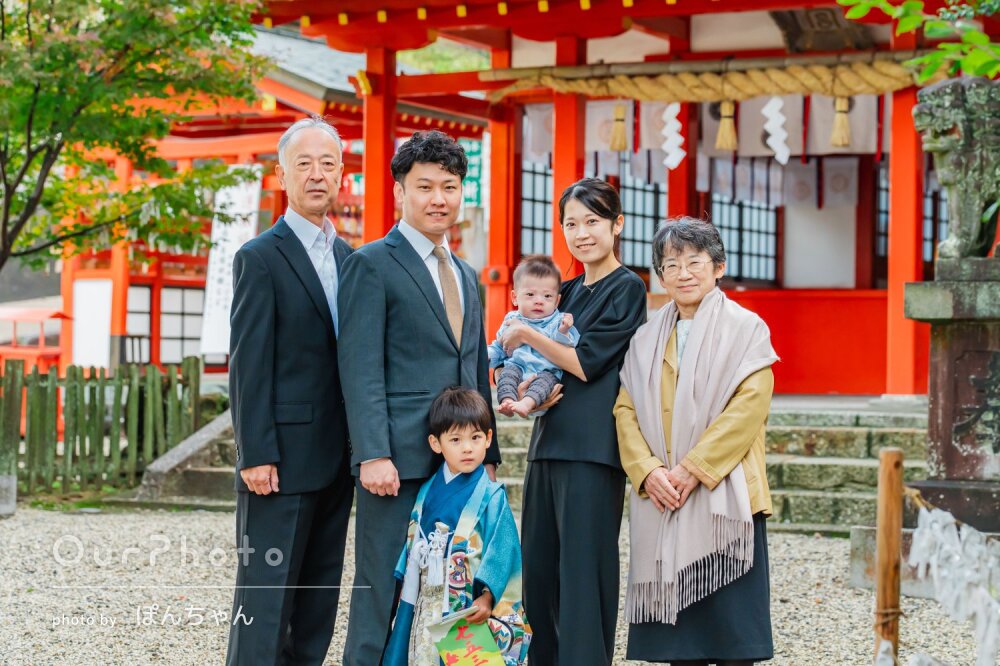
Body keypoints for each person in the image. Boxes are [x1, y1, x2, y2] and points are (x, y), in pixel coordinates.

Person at [338, 130, 501, 665]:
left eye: (449, 187)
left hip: (460, 460)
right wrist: (372, 453)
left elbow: (474, 367)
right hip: (397, 461)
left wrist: (488, 453)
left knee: (454, 587)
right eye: (425, 186)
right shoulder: (371, 263)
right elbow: (359, 368)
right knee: (382, 587)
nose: (439, 199)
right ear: (400, 191)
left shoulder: (466, 273)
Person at [615, 217, 778, 666]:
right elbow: (625, 410)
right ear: (660, 276)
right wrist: (647, 470)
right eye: (671, 265)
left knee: (731, 636)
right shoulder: (644, 338)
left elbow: (749, 406)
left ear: (718, 266)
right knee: (679, 646)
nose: (683, 273)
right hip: (663, 490)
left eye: (694, 262)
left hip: (724, 492)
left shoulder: (747, 328)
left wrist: (692, 469)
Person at [226, 117, 354, 665]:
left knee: (317, 603)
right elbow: (248, 363)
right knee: (264, 601)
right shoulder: (260, 257)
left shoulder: (350, 258)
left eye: (327, 163)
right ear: (282, 176)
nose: (316, 174)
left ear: (342, 174)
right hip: (278, 463)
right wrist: (255, 453)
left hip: (338, 458)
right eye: (304, 164)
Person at [502, 178, 647, 665]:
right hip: (548, 442)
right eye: (571, 224)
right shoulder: (561, 291)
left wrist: (527, 334)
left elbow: (586, 362)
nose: (581, 233)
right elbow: (524, 358)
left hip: (593, 448)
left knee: (584, 575)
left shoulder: (627, 288)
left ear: (617, 224)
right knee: (539, 573)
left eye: (592, 221)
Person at [383, 387, 530, 666]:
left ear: (488, 438)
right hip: (425, 594)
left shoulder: (492, 496)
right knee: (420, 653)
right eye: (455, 439)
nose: (467, 448)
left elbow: (504, 552)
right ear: (436, 443)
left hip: (465, 599)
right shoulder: (427, 490)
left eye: (475, 437)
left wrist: (487, 597)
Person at [488, 255, 580, 418]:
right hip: (517, 366)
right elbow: (499, 347)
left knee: (545, 382)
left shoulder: (558, 321)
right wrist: (486, 356)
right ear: (515, 297)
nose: (539, 301)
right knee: (507, 375)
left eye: (547, 296)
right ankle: (507, 402)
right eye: (530, 294)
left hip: (545, 371)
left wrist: (564, 331)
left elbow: (568, 347)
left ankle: (526, 404)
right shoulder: (510, 320)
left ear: (557, 301)